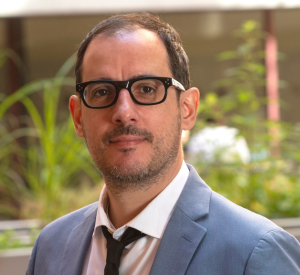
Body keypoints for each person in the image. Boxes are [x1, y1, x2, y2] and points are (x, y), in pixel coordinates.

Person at [26, 13, 300, 275]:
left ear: (187, 109)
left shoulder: (256, 251)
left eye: (146, 89)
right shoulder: (50, 247)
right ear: (78, 117)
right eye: (101, 92)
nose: (123, 111)